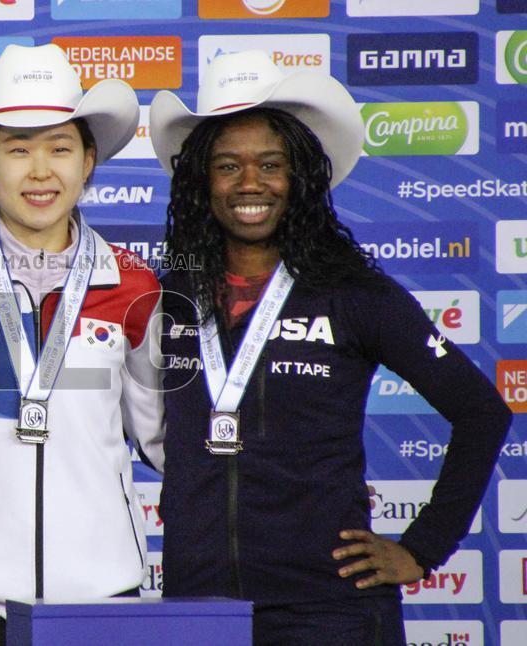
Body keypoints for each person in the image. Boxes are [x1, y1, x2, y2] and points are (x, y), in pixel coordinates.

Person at [149, 50, 511, 645]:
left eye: (271, 164)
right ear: (200, 181)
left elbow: (482, 411)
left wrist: (422, 548)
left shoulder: (354, 293)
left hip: (329, 609)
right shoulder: (170, 297)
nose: (250, 184)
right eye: (227, 166)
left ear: (300, 177)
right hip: (199, 606)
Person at [0, 43, 165, 644]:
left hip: (105, 586)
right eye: (17, 149)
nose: (40, 171)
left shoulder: (134, 284)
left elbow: (157, 434)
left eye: (60, 148)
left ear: (89, 160)